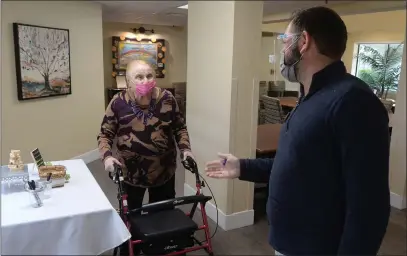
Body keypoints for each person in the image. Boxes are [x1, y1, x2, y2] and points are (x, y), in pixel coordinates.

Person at [205, 6, 390, 256]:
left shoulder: (353, 101)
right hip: (290, 242)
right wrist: (242, 167)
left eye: (285, 40)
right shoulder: (310, 96)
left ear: (303, 42)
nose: (282, 49)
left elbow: (369, 205)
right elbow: (297, 165)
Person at [97, 60, 194, 254]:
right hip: (130, 173)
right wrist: (107, 157)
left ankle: (160, 248)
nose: (145, 80)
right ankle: (129, 250)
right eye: (139, 77)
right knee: (130, 218)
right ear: (128, 81)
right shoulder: (118, 102)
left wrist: (186, 149)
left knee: (162, 217)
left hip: (164, 170)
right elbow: (104, 134)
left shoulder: (168, 99)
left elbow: (179, 127)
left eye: (149, 75)